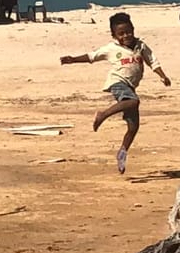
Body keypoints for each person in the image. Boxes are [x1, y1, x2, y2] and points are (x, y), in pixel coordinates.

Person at [59, 12, 170, 174]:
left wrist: (162, 75)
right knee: (134, 101)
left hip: (130, 87)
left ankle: (122, 153)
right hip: (117, 83)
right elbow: (92, 56)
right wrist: (73, 59)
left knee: (133, 127)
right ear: (114, 35)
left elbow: (152, 60)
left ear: (133, 29)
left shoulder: (141, 46)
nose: (126, 36)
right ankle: (102, 115)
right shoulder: (111, 49)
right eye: (121, 33)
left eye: (128, 31)